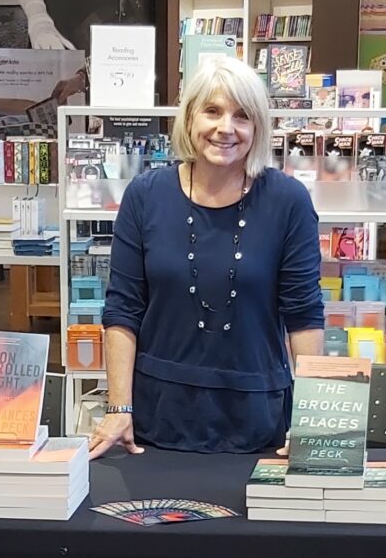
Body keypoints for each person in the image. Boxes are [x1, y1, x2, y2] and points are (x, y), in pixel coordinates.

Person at [88, 59, 324, 458]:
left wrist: (313, 420)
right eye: (212, 111)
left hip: (259, 418)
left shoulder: (288, 201)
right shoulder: (145, 196)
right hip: (158, 417)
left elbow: (303, 316)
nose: (225, 128)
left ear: (258, 127)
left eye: (242, 116)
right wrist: (118, 407)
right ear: (190, 116)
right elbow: (122, 310)